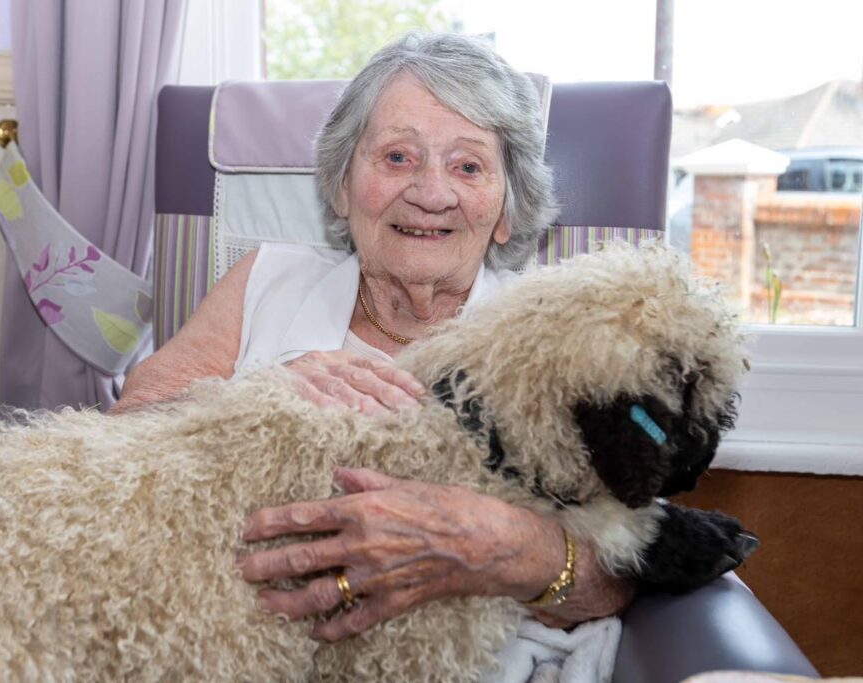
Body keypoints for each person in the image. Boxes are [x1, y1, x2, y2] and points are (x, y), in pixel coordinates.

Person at [114, 32, 634, 642]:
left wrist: (497, 543)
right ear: (341, 185)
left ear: (507, 210)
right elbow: (124, 435)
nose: (431, 193)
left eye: (468, 166)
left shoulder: (560, 337)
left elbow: (623, 573)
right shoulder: (265, 279)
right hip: (227, 635)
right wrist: (254, 399)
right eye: (397, 158)